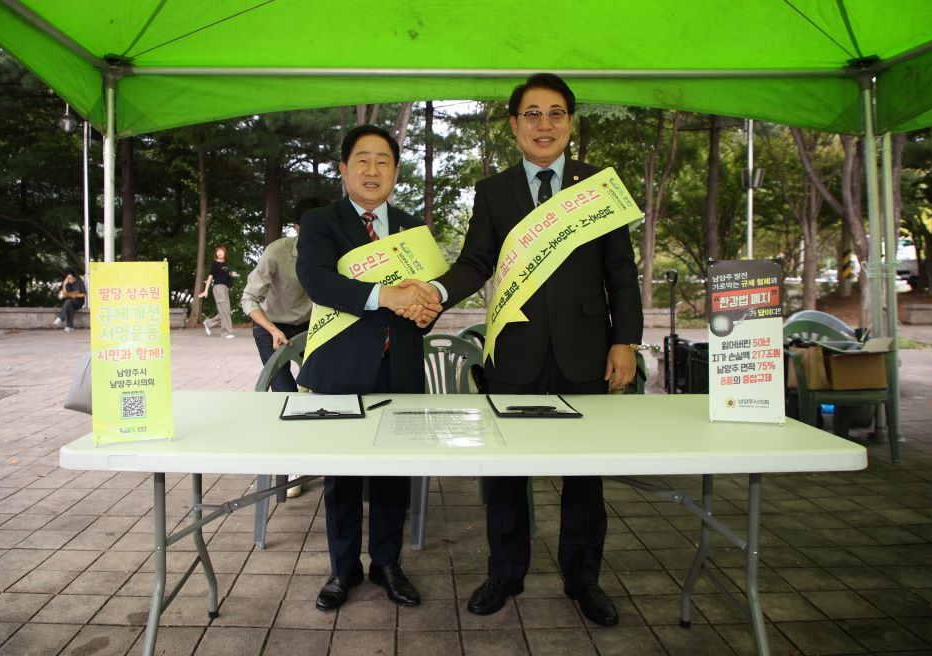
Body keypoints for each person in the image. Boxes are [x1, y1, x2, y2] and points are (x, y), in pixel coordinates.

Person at [420, 73, 644, 626]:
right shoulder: (493, 191)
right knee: (505, 471)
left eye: (555, 113)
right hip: (514, 351)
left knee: (584, 473)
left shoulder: (598, 188)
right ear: (514, 124)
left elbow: (621, 273)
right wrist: (438, 293)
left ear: (571, 122)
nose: (544, 124)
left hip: (586, 351)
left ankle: (583, 578)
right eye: (532, 114)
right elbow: (477, 262)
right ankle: (505, 571)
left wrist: (626, 340)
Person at [295, 124, 441, 612]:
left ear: (396, 171)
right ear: (343, 169)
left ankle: (386, 564)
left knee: (392, 475)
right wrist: (386, 293)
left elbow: (425, 291)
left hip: (398, 365)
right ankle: (343, 570)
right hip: (340, 367)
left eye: (384, 160)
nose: (372, 169)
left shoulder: (410, 229)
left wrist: (424, 308)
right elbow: (318, 282)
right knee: (341, 476)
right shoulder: (320, 221)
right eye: (362, 159)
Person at [241, 197, 328, 392]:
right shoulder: (276, 252)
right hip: (272, 326)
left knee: (320, 387)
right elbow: (249, 299)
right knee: (284, 390)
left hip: (311, 326)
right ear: (297, 228)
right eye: (312, 228)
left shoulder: (333, 253)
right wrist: (273, 330)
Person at [198, 245, 239, 338]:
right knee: (224, 311)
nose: (219, 253)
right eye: (218, 251)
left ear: (225, 253)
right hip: (218, 288)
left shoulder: (225, 264)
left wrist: (232, 274)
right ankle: (225, 333)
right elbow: (210, 277)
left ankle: (208, 323)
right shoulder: (215, 264)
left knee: (226, 311)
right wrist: (205, 291)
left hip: (225, 288)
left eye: (221, 251)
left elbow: (226, 275)